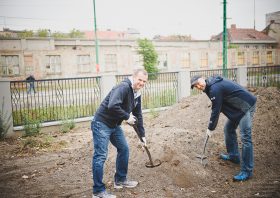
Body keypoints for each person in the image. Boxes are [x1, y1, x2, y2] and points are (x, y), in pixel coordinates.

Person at [91, 69, 148, 198]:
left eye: (144, 81)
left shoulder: (136, 93)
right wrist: (127, 116)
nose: (142, 83)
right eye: (140, 79)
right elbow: (112, 105)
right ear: (133, 77)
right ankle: (98, 191)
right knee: (100, 156)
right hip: (101, 123)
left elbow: (138, 115)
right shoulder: (123, 87)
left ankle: (120, 180)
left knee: (124, 149)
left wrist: (142, 136)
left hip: (114, 125)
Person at [191, 75, 257, 182]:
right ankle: (234, 155)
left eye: (198, 83)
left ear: (203, 78)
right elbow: (219, 105)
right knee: (228, 129)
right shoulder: (210, 86)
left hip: (246, 106)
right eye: (195, 86)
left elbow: (216, 110)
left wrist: (210, 128)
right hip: (238, 108)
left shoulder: (214, 88)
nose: (198, 86)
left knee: (246, 138)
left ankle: (247, 171)